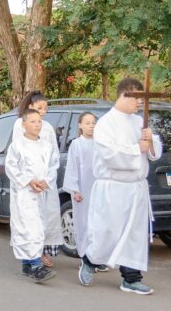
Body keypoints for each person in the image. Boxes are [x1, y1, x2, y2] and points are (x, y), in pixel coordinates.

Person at [79, 78, 162, 295]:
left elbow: (153, 152)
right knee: (107, 232)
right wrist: (137, 148)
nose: (140, 104)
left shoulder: (139, 122)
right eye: (137, 99)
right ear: (125, 95)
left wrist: (150, 141)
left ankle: (131, 278)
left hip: (136, 189)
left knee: (135, 235)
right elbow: (109, 155)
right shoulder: (105, 124)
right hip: (113, 188)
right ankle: (90, 260)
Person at [5, 109, 59, 283]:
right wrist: (28, 181)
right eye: (33, 121)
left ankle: (27, 264)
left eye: (39, 121)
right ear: (23, 125)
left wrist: (46, 181)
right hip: (24, 194)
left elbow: (53, 166)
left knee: (38, 226)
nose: (37, 125)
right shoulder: (17, 145)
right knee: (29, 228)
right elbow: (11, 167)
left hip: (41, 193)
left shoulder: (47, 146)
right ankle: (36, 265)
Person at [12, 91, 62, 267]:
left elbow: (54, 154)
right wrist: (29, 180)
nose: (43, 111)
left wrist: (46, 180)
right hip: (27, 185)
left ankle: (39, 253)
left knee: (44, 220)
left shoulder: (47, 127)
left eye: (45, 108)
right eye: (39, 108)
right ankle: (31, 260)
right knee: (28, 222)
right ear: (30, 107)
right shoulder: (20, 125)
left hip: (44, 183)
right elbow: (17, 158)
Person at [62, 112, 108, 272]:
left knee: (99, 223)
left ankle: (98, 257)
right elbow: (72, 168)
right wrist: (75, 190)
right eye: (87, 123)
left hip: (99, 189)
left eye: (93, 123)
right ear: (80, 125)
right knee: (84, 223)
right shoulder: (77, 144)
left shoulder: (101, 144)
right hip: (82, 190)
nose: (91, 126)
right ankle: (85, 256)